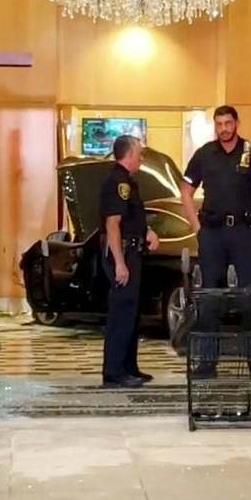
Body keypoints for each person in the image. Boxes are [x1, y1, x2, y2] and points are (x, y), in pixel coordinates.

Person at [180, 105, 251, 288]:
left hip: (243, 232)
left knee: (250, 292)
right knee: (210, 292)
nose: (223, 129)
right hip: (212, 232)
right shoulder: (204, 154)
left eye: (228, 123)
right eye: (219, 124)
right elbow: (186, 191)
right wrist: (198, 229)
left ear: (237, 123)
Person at [99, 135, 159, 388]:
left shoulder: (129, 183)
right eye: (140, 154)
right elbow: (112, 225)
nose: (142, 159)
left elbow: (131, 219)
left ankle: (128, 366)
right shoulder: (117, 182)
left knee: (131, 314)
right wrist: (120, 263)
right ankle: (114, 372)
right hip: (121, 253)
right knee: (121, 313)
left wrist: (147, 232)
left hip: (133, 252)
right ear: (129, 155)